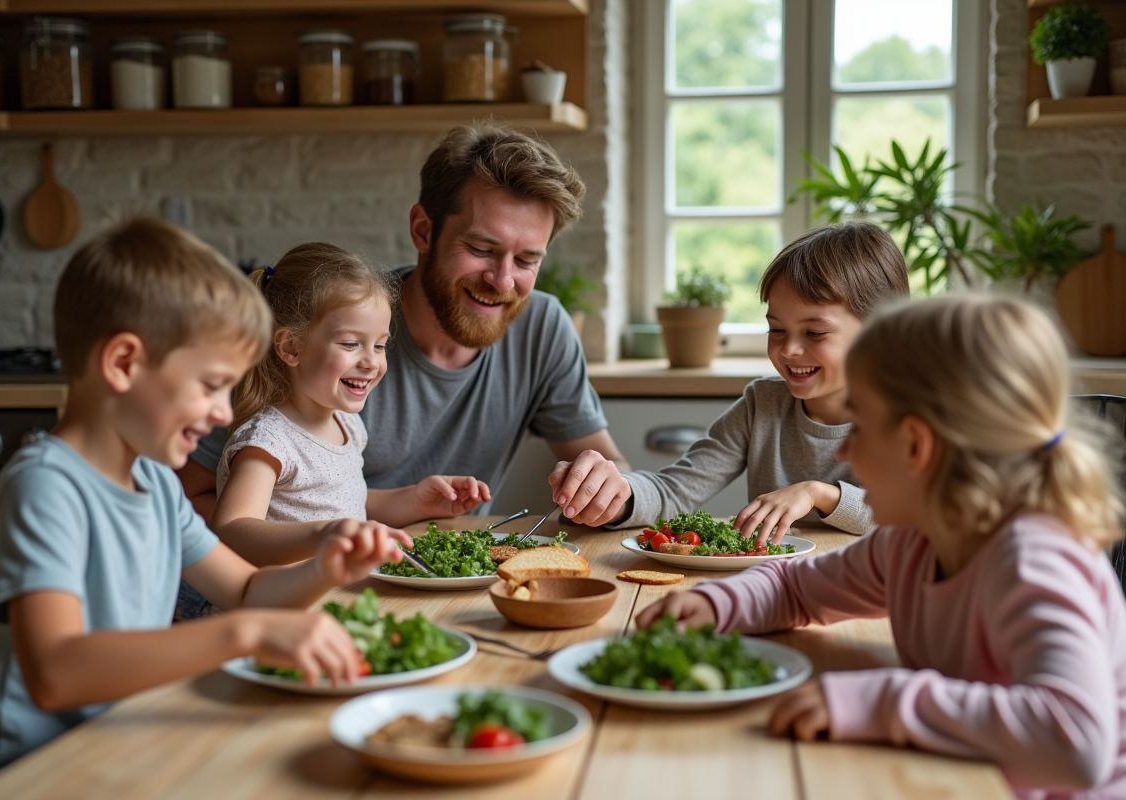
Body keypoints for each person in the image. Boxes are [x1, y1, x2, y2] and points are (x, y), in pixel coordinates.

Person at [0, 218, 411, 799]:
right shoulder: (46, 487)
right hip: (26, 782)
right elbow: (58, 672)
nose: (218, 414)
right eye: (210, 385)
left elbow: (248, 591)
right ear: (124, 364)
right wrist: (248, 633)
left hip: (118, 758)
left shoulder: (156, 487)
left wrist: (324, 568)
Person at [639, 293, 1126, 798]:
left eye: (861, 427)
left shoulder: (1032, 560)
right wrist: (715, 602)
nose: (844, 451)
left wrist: (886, 702)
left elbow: (1077, 742)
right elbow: (797, 590)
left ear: (916, 446)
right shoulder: (911, 542)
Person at [179, 123, 628, 520]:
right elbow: (188, 498)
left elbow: (615, 468)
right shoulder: (321, 333)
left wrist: (605, 486)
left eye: (527, 259)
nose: (503, 280)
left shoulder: (543, 328)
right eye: (481, 249)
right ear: (422, 230)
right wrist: (312, 551)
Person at [550, 221, 908, 541]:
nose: (789, 350)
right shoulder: (763, 404)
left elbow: (908, 519)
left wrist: (817, 493)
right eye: (777, 329)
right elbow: (675, 491)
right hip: (775, 586)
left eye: (814, 332)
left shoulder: (908, 413)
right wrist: (617, 495)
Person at [212, 242, 491, 568]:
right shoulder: (269, 442)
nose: (371, 362)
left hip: (332, 598)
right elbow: (231, 531)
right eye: (350, 344)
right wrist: (325, 535)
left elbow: (346, 505)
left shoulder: (345, 425)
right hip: (276, 610)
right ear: (291, 347)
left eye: (380, 345)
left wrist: (415, 500)